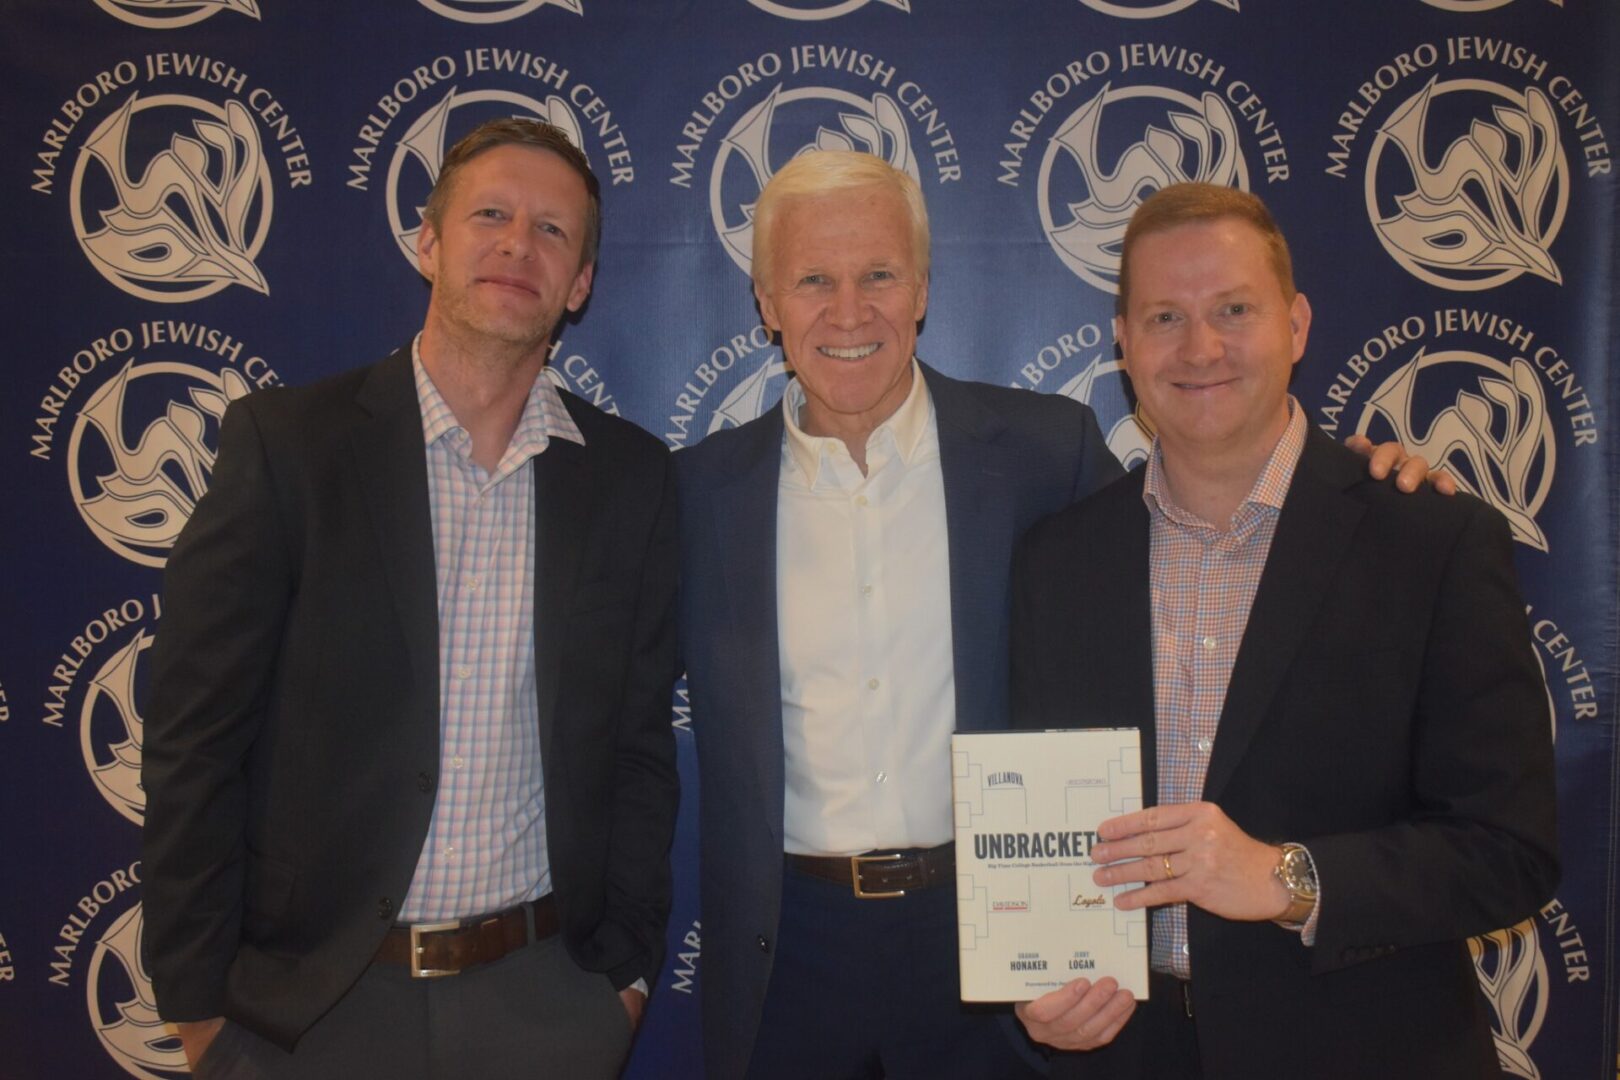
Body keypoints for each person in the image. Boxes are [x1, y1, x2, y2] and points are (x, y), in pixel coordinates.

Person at [676, 152, 1442, 1079]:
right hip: (787, 953)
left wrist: (1367, 479)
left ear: (921, 289)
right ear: (765, 302)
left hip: (1005, 941)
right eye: (812, 280)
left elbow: (1209, 541)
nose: (849, 310)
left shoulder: (1045, 452)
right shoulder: (694, 496)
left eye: (879, 274)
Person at [141, 119, 679, 1080]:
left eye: (555, 231)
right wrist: (196, 1009)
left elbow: (639, 750)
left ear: (582, 284)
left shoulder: (629, 480)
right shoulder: (288, 448)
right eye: (490, 215)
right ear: (428, 242)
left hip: (549, 1003)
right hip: (313, 1013)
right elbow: (194, 739)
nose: (520, 243)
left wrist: (622, 985)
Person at [1009, 182, 1559, 1079]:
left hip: (1368, 1052)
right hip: (1126, 1057)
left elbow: (1510, 852)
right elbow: (1044, 834)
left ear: (1296, 326)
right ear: (1122, 345)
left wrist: (1288, 877)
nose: (1201, 348)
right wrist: (1043, 985)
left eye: (1234, 309)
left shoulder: (1433, 537)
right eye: (1164, 317)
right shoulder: (1057, 562)